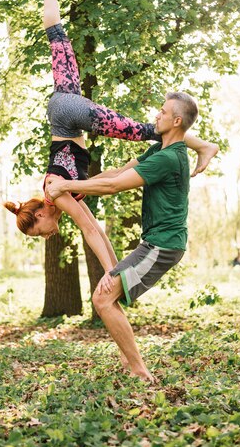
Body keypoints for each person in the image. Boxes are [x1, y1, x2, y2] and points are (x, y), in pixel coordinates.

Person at [4, 0, 218, 279]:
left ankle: (202, 145)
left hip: (69, 114)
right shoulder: (64, 190)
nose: (49, 235)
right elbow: (105, 191)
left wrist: (110, 273)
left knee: (146, 129)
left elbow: (90, 231)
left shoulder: (54, 194)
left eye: (41, 232)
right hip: (64, 105)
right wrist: (119, 267)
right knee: (57, 39)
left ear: (39, 216)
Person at [46, 90, 209, 382]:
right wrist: (74, 185)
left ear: (176, 120)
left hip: (163, 245)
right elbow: (116, 173)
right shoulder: (159, 150)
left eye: (162, 112)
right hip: (156, 243)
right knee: (108, 296)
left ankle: (139, 370)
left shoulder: (170, 158)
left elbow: (115, 187)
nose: (156, 115)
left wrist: (64, 186)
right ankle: (129, 361)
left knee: (103, 298)